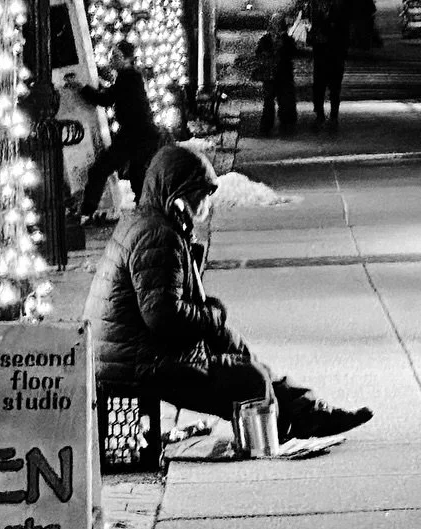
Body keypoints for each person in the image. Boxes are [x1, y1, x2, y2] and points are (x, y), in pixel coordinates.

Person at [83, 144, 372, 444]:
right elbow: (163, 317)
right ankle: (283, 429)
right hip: (140, 363)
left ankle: (310, 413)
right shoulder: (157, 236)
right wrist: (212, 315)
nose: (205, 204)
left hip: (137, 354)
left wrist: (214, 321)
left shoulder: (152, 223)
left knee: (238, 350)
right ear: (178, 193)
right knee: (249, 379)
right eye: (200, 194)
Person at [78, 39, 162, 224]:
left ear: (127, 59)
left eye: (116, 56)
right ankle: (146, 211)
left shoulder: (128, 77)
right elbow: (113, 94)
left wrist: (82, 88)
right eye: (111, 56)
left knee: (106, 169)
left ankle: (88, 211)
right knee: (136, 173)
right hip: (139, 133)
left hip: (136, 134)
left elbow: (106, 99)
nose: (111, 60)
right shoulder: (129, 77)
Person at [307, 0, 354, 128]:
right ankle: (320, 114)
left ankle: (333, 116)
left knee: (334, 89)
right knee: (319, 88)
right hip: (322, 57)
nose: (323, 7)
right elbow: (313, 36)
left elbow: (343, 36)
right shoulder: (318, 17)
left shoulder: (338, 17)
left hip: (334, 57)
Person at [254, 12, 299, 135]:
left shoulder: (287, 40)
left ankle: (284, 123)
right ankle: (268, 125)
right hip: (271, 74)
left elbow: (292, 53)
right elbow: (259, 53)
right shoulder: (266, 39)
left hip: (283, 74)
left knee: (283, 99)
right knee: (269, 100)